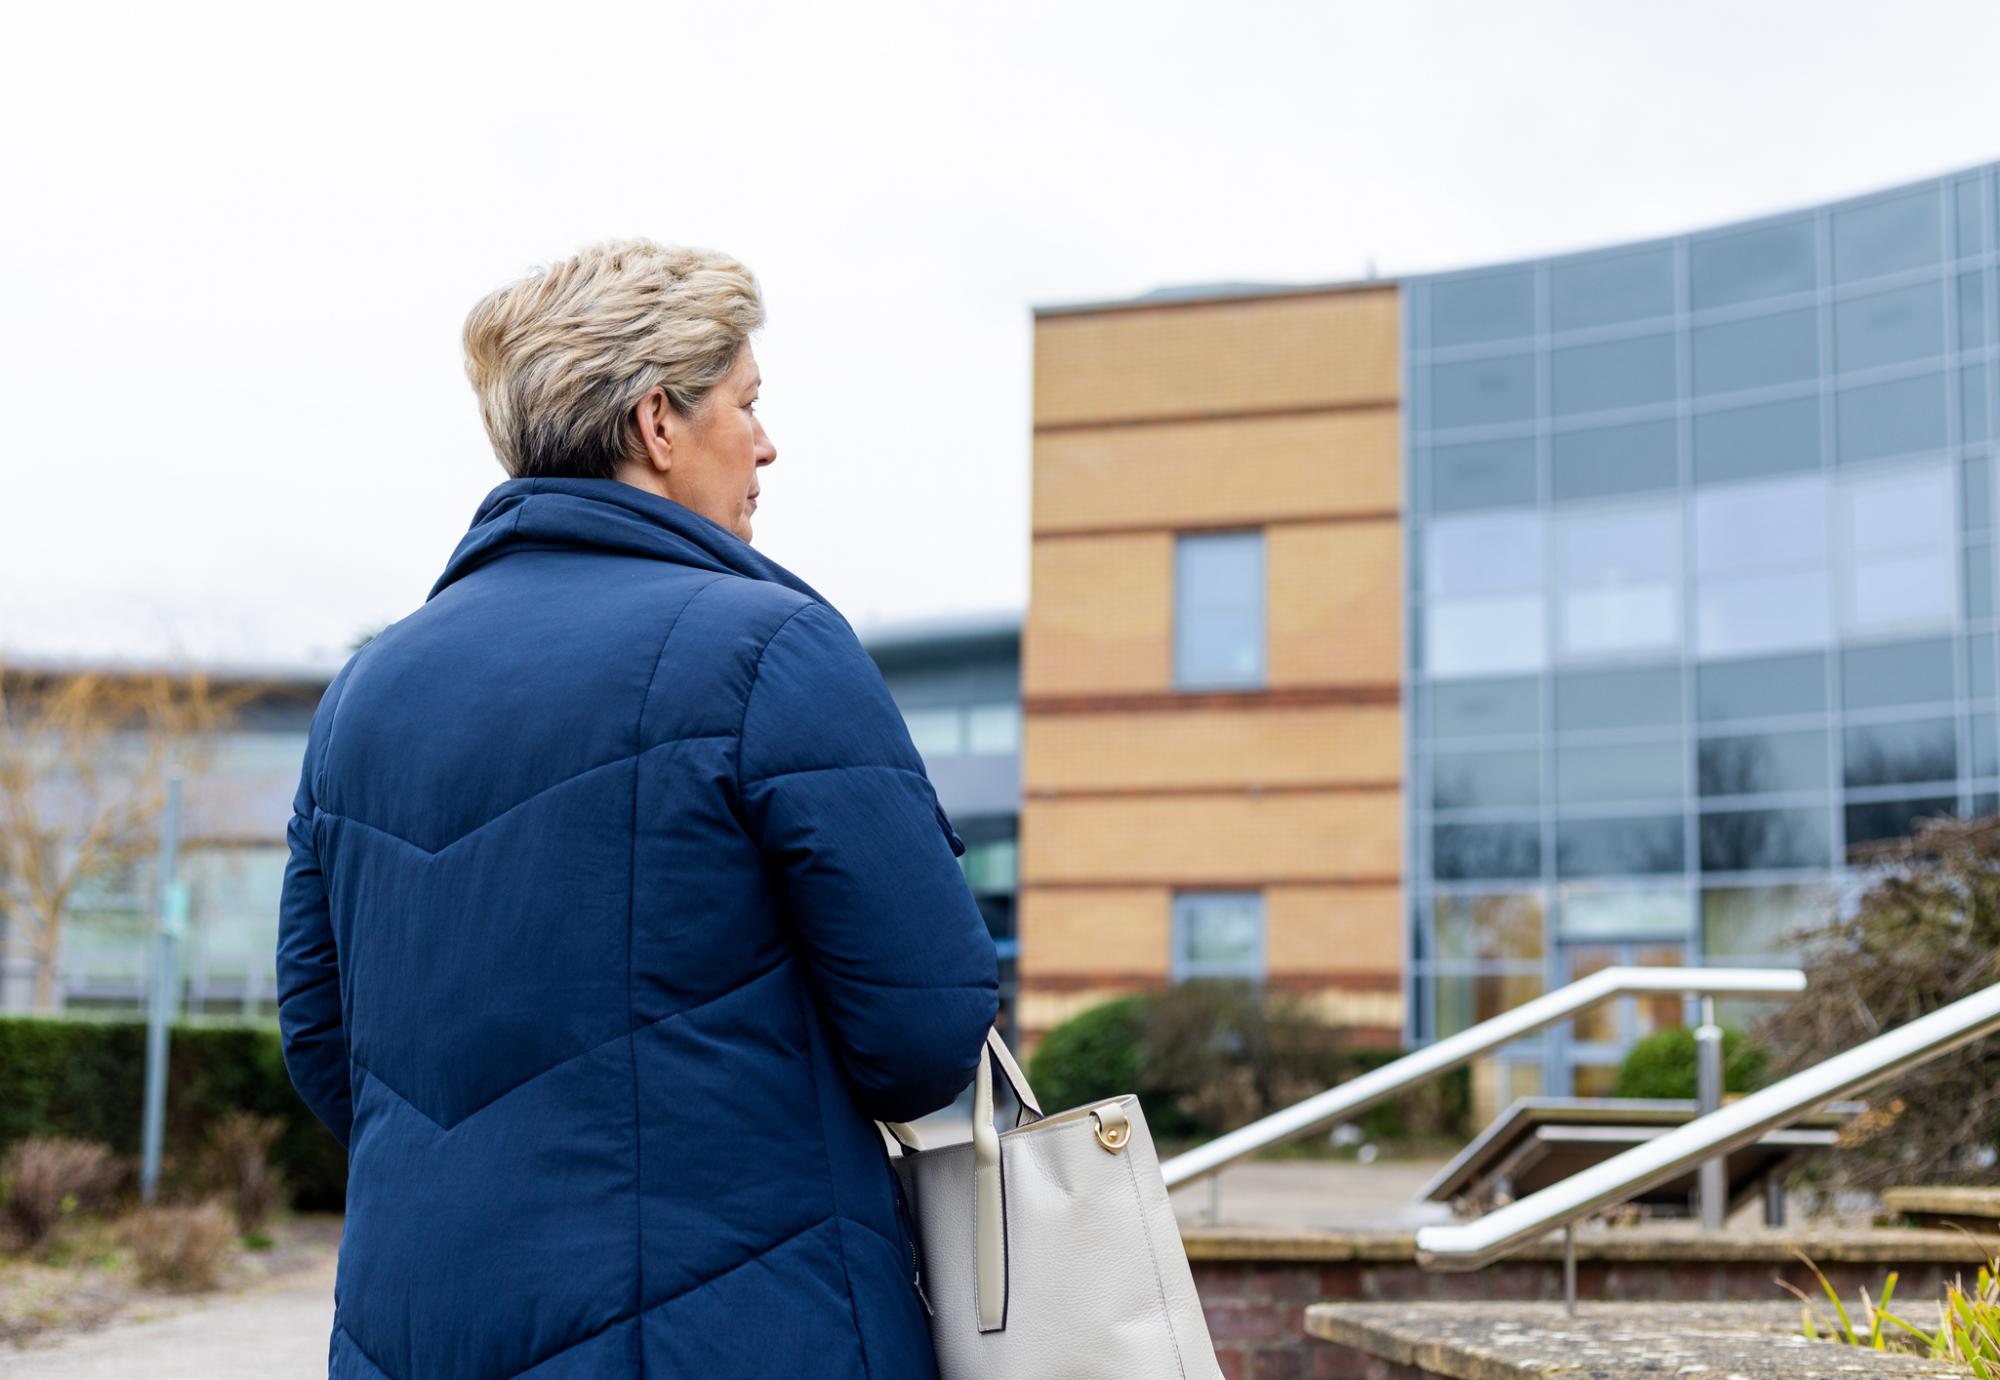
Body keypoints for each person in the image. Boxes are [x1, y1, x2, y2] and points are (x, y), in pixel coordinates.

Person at [276, 239, 999, 1379]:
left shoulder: (364, 693)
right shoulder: (771, 650)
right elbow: (922, 1034)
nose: (767, 443)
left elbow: (325, 1047)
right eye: (747, 403)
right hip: (740, 1329)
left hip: (412, 1327)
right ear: (658, 423)